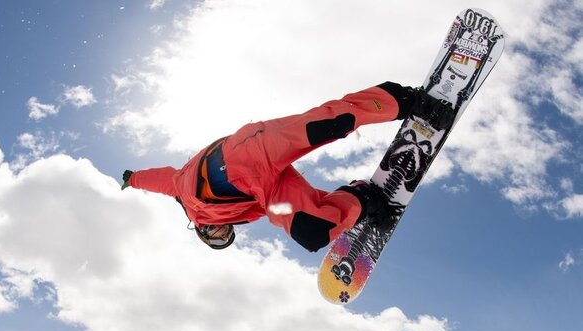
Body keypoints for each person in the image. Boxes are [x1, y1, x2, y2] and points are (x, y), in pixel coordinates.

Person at [121, 82, 453, 251]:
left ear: (202, 233)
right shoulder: (242, 214)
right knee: (312, 233)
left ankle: (404, 100)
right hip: (266, 192)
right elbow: (273, 208)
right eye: (227, 237)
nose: (223, 233)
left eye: (217, 237)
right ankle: (362, 198)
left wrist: (132, 178)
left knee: (327, 124)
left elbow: (155, 179)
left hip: (245, 154)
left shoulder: (179, 189)